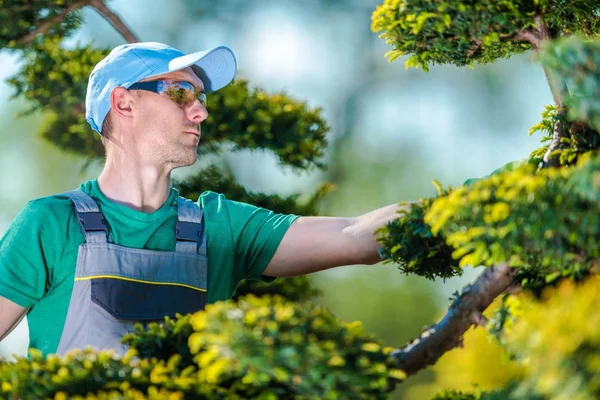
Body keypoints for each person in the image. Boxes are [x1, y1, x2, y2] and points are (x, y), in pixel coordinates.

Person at [0, 42, 403, 357]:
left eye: (200, 98)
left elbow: (355, 236)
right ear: (124, 103)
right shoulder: (51, 224)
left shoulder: (219, 229)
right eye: (180, 93)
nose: (200, 113)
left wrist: (459, 208)